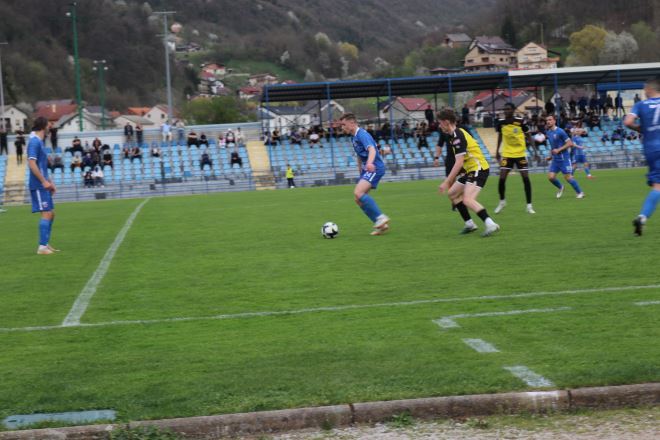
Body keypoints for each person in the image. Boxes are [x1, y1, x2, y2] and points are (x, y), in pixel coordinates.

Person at [437, 108, 499, 237]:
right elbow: (464, 159)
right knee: (453, 194)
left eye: (440, 122)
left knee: (467, 199)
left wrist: (446, 182)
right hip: (471, 170)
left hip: (478, 169)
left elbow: (459, 162)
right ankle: (470, 224)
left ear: (446, 122)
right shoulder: (454, 136)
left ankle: (490, 224)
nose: (439, 125)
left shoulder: (457, 136)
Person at [340, 113, 390, 236]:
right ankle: (381, 225)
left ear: (352, 123)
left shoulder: (362, 134)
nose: (342, 127)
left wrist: (369, 163)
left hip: (375, 167)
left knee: (358, 192)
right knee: (358, 199)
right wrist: (360, 172)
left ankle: (381, 217)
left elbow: (372, 149)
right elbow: (359, 155)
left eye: (344, 124)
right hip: (367, 169)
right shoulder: (354, 137)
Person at [624, 76, 660, 236]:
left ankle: (642, 217)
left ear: (650, 88)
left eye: (644, 88)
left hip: (650, 148)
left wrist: (640, 129)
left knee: (657, 186)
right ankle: (642, 217)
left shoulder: (640, 105)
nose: (644, 91)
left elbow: (627, 122)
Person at [494, 103, 535, 214]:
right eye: (504, 109)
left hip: (520, 154)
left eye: (508, 109)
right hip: (507, 154)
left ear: (513, 110)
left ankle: (529, 206)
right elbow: (500, 136)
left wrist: (535, 151)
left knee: (525, 179)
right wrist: (497, 151)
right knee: (501, 179)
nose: (506, 111)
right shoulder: (501, 122)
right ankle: (502, 202)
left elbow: (528, 135)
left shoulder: (520, 121)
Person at [27, 117, 58, 255]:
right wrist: (43, 182)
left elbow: (42, 167)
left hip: (43, 184)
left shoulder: (39, 142)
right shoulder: (34, 142)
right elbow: (31, 163)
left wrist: (50, 182)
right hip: (38, 185)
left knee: (51, 214)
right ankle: (42, 247)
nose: (49, 127)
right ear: (43, 126)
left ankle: (45, 243)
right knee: (46, 213)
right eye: (48, 125)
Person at [545, 114, 584, 199]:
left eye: (550, 120)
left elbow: (570, 143)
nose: (548, 121)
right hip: (555, 159)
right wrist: (550, 156)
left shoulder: (560, 131)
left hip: (564, 159)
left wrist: (559, 150)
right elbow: (552, 146)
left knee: (568, 178)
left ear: (554, 121)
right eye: (547, 120)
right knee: (551, 177)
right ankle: (561, 187)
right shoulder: (548, 132)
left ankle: (580, 193)